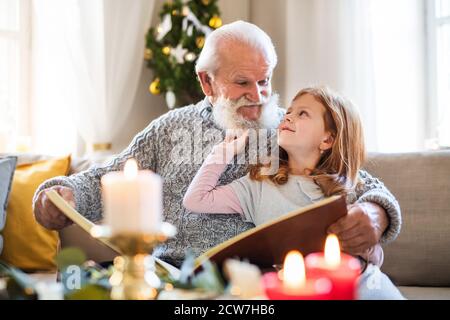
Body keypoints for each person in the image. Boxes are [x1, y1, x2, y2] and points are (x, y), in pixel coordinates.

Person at [33, 21, 402, 299]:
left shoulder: (288, 128)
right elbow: (111, 177)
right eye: (243, 83)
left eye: (266, 80)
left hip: (264, 278)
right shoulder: (170, 128)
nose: (258, 96)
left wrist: (374, 213)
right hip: (176, 275)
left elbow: (360, 181)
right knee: (79, 284)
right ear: (207, 82)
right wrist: (61, 192)